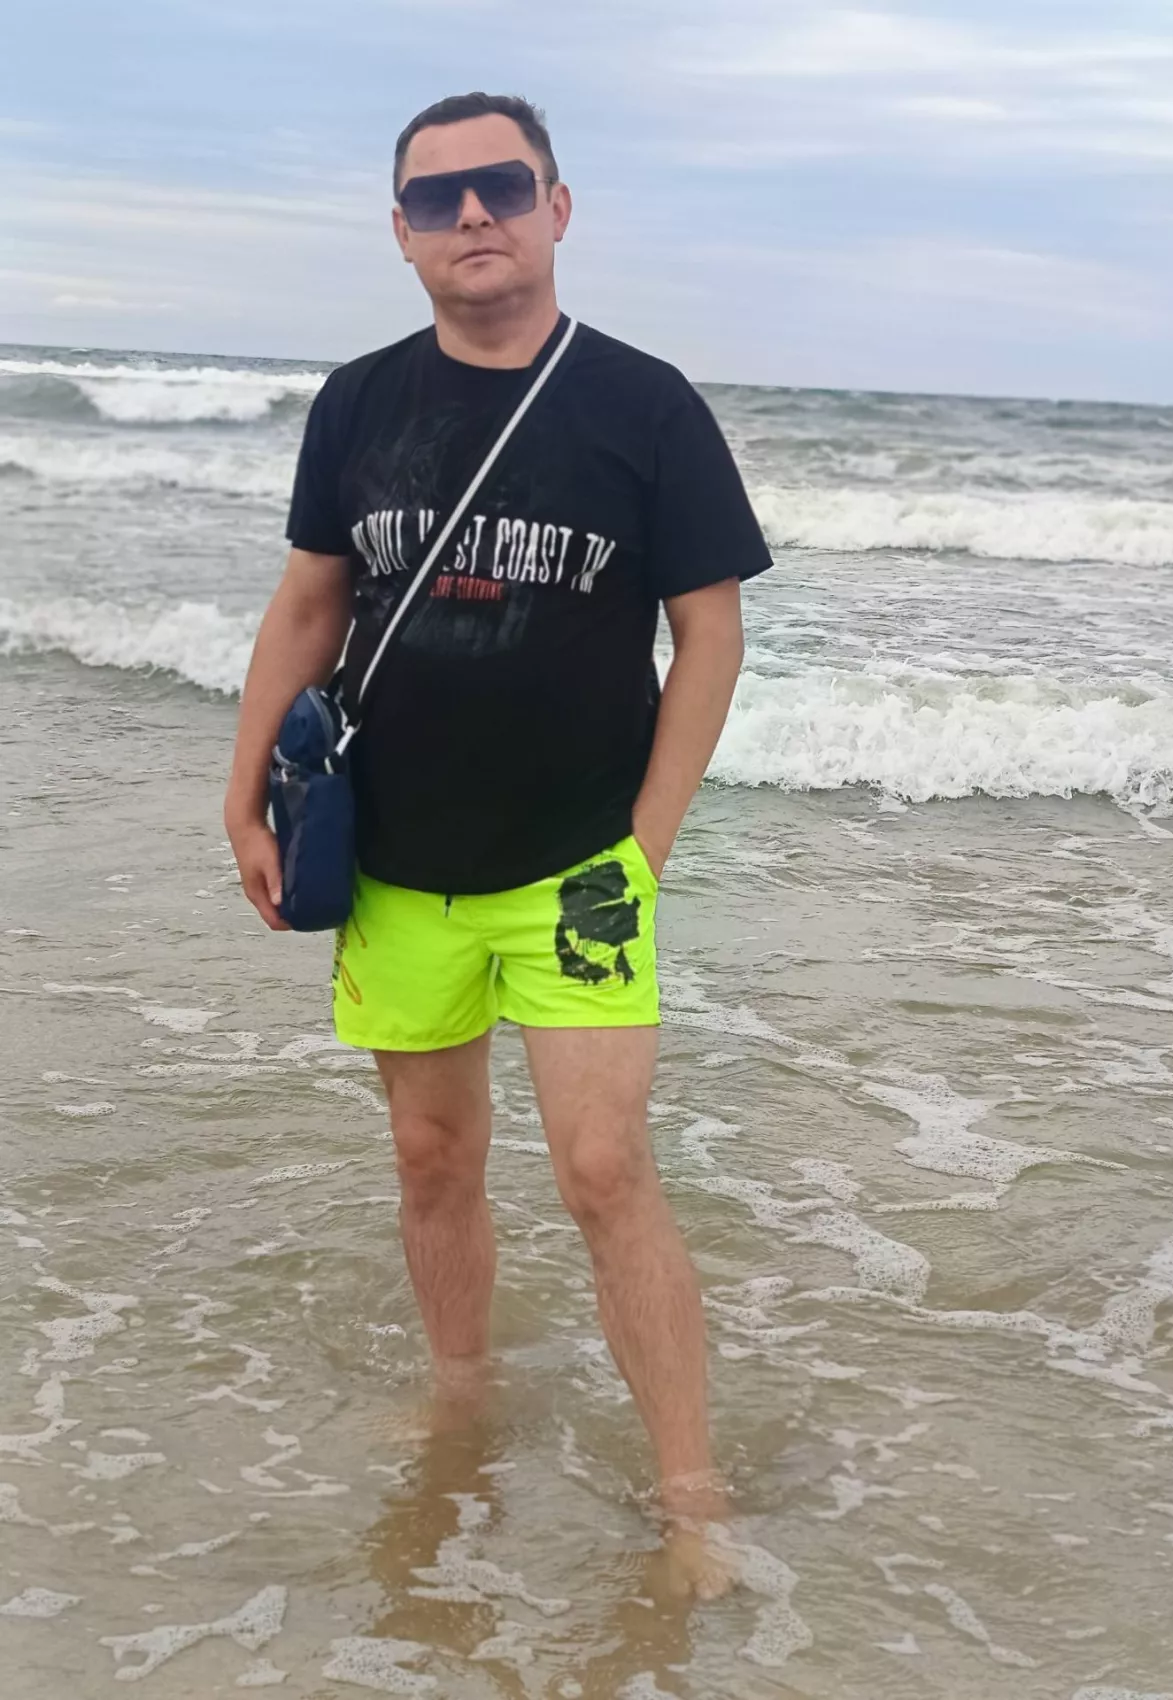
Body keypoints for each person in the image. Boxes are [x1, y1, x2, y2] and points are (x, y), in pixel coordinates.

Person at [224, 91, 772, 1596]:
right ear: (401, 234)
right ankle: (460, 1404)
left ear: (556, 208)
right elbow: (310, 602)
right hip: (395, 861)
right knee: (430, 1155)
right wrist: (242, 788)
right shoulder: (359, 405)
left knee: (603, 1168)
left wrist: (645, 847)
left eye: (503, 186)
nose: (472, 214)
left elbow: (711, 634)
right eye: (436, 197)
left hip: (578, 865)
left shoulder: (645, 406)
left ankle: (691, 1497)